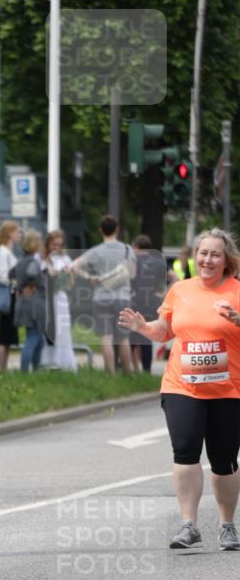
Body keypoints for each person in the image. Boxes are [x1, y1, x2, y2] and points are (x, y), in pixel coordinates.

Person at [118, 228, 240, 551]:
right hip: (182, 386)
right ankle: (189, 525)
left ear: (226, 259)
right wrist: (142, 327)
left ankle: (227, 525)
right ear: (195, 256)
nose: (207, 260)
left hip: (229, 389)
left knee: (224, 460)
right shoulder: (180, 291)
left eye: (215, 254)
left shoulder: (237, 291)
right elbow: (165, 330)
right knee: (184, 452)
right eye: (203, 253)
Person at [71, 215, 135, 375]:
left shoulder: (95, 252)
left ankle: (111, 373)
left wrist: (89, 277)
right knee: (123, 337)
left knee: (106, 336)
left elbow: (73, 266)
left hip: (101, 297)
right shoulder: (127, 249)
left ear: (100, 231)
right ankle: (128, 373)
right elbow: (132, 274)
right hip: (122, 297)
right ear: (117, 229)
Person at [129, 234, 168, 373]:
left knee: (132, 336)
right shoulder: (159, 262)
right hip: (151, 302)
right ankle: (146, 371)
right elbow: (167, 280)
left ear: (136, 247)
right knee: (147, 336)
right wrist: (161, 294)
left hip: (135, 302)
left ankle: (127, 369)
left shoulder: (132, 261)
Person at [40, 230, 77, 372]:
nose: (57, 248)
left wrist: (64, 277)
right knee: (47, 328)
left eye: (60, 245)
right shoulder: (42, 259)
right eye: (54, 245)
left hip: (60, 297)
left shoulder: (65, 259)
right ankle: (46, 362)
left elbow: (71, 283)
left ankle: (62, 363)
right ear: (48, 244)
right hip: (46, 298)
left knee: (62, 330)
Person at [14, 229, 47, 372]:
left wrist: (19, 287)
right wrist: (31, 285)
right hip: (35, 303)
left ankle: (36, 369)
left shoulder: (20, 260)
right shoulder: (33, 261)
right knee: (32, 339)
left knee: (39, 340)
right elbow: (32, 273)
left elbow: (11, 273)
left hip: (25, 302)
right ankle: (25, 372)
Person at [0, 220, 22, 372]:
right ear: (10, 233)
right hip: (8, 296)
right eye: (18, 232)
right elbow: (2, 276)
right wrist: (17, 282)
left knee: (8, 336)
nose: (20, 235)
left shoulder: (8, 252)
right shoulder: (3, 252)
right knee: (3, 336)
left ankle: (3, 368)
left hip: (12, 296)